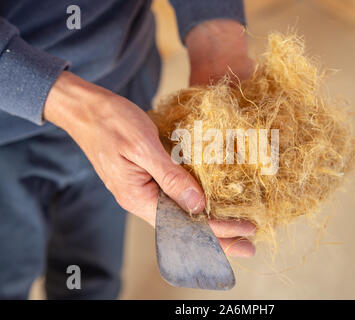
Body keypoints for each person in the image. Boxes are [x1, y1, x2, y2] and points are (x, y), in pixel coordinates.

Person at [0, 0, 256, 299]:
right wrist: (77, 107)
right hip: (7, 126)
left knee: (90, 273)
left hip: (126, 87)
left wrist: (217, 40)